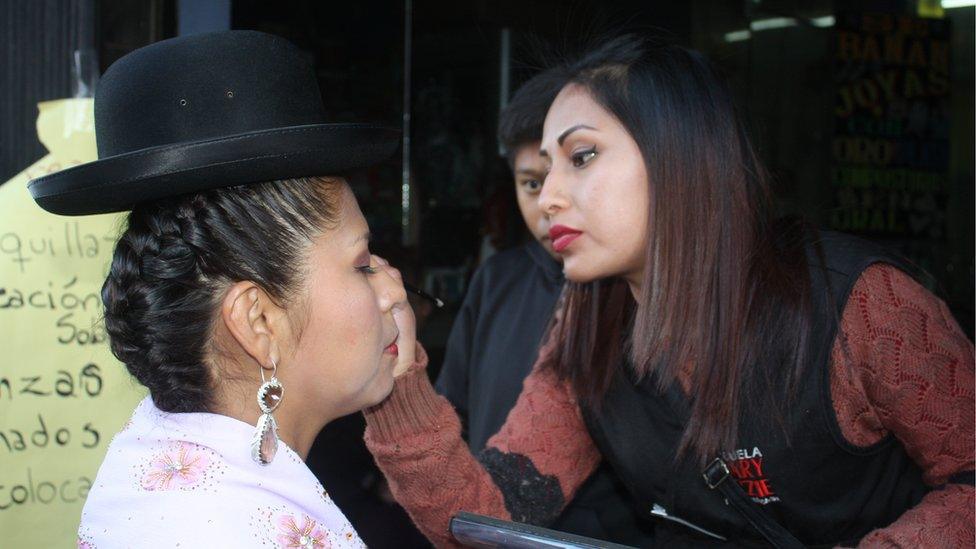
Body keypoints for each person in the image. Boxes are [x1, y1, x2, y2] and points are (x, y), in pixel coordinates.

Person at [362, 35, 975, 547]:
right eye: (544, 169)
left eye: (581, 156)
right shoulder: (587, 325)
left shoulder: (862, 303)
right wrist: (395, 384)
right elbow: (486, 515)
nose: (548, 197)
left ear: (678, 157)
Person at [29, 31, 416, 548]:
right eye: (363, 264)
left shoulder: (156, 461)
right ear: (257, 322)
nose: (393, 286)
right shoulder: (238, 531)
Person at [434, 69, 654, 545]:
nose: (550, 201)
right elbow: (452, 406)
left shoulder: (629, 296)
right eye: (532, 183)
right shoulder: (496, 280)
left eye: (581, 160)